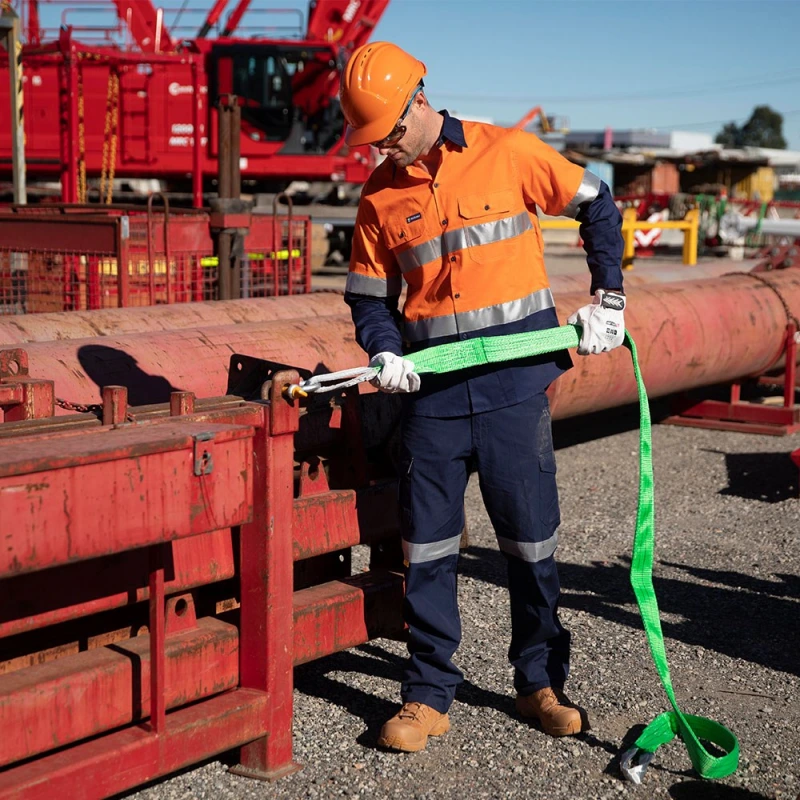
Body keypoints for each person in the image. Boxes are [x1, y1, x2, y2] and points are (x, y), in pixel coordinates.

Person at [340, 41, 625, 753]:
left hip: (513, 391)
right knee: (429, 548)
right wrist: (384, 351)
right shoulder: (379, 196)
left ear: (419, 100)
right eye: (376, 141)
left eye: (393, 133)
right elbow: (369, 300)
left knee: (531, 545)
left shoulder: (508, 153)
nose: (389, 149)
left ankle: (540, 683)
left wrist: (609, 299)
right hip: (433, 398)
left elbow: (598, 205)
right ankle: (428, 694)